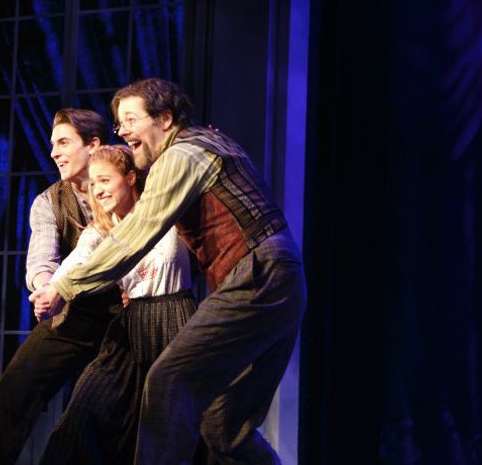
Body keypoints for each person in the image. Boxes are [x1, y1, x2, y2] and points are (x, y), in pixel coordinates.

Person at [31, 78, 307, 463]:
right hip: (281, 279)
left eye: (131, 119)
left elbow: (136, 235)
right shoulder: (209, 143)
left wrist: (64, 286)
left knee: (167, 381)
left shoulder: (181, 156)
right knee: (223, 425)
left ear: (164, 119)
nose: (123, 131)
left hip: (260, 273)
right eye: (119, 123)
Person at [0, 108, 122, 465]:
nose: (54, 153)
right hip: (76, 312)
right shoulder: (49, 201)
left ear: (93, 145)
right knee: (15, 390)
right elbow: (41, 259)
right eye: (52, 144)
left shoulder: (129, 187)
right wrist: (44, 289)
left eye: (64, 143)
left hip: (127, 313)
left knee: (104, 412)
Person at [31, 145, 196, 464]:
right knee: (85, 410)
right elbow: (78, 262)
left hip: (175, 320)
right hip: (131, 326)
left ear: (131, 178)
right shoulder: (101, 230)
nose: (98, 190)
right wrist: (51, 290)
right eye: (93, 183)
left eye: (105, 180)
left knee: (178, 425)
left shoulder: (164, 211)